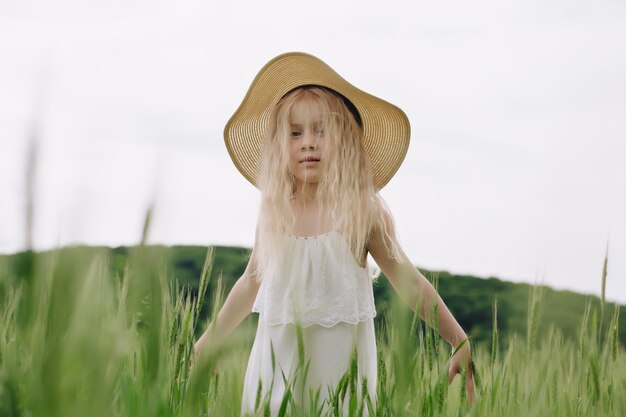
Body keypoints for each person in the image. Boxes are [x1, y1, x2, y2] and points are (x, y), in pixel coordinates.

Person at [194, 52, 475, 416]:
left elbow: (408, 281)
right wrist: (207, 342)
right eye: (295, 133)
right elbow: (251, 282)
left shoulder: (362, 213)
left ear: (344, 140)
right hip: (275, 378)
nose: (308, 142)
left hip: (340, 384)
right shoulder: (275, 213)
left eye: (321, 131)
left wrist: (458, 339)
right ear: (281, 146)